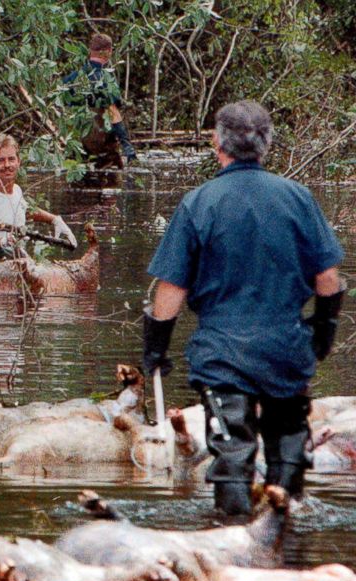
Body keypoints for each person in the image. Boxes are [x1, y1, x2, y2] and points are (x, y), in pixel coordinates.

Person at [142, 100, 344, 516]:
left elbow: (170, 292)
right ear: (267, 144)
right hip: (285, 348)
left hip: (222, 353)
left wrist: (155, 349)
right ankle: (284, 536)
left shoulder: (199, 203)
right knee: (288, 449)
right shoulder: (298, 198)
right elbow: (328, 280)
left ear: (217, 143)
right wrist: (321, 333)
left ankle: (231, 541)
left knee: (233, 452)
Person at [0, 134, 77, 270]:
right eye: (1, 160)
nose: (7, 165)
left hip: (13, 261)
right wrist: (1, 241)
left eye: (11, 159)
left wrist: (54, 219)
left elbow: (24, 210)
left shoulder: (16, 191)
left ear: (18, 162)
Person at [62, 33, 138, 169]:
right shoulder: (106, 80)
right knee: (113, 185)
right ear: (108, 52)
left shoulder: (71, 79)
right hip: (102, 147)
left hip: (76, 147)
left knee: (76, 187)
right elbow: (113, 113)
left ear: (90, 51)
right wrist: (127, 147)